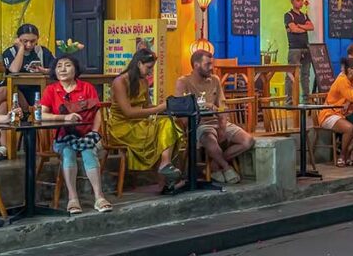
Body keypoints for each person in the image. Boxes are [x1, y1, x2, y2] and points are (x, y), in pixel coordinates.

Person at [40, 55, 112, 213]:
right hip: (62, 137)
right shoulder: (51, 90)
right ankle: (73, 199)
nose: (63, 69)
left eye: (67, 65)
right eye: (59, 66)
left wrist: (94, 132)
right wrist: (63, 117)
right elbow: (42, 115)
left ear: (76, 69)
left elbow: (97, 112)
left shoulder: (87, 88)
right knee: (68, 153)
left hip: (87, 136)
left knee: (88, 152)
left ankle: (99, 197)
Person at [175, 51, 254, 184]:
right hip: (199, 124)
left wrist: (222, 125)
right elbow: (179, 108)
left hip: (218, 121)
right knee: (210, 139)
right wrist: (201, 107)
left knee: (248, 141)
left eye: (212, 64)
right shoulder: (183, 82)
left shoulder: (215, 80)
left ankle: (214, 165)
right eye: (208, 64)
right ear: (196, 65)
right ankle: (226, 166)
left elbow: (222, 106)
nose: (211, 67)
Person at [107, 48, 183, 183]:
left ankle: (165, 165)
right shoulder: (120, 82)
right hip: (122, 127)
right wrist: (158, 109)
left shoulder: (144, 82)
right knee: (162, 127)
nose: (150, 71)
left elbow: (147, 106)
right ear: (138, 64)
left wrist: (167, 106)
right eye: (148, 67)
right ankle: (165, 166)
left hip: (140, 123)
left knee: (169, 121)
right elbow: (128, 112)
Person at [0, 23, 55, 115]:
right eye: (25, 41)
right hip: (15, 91)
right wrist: (21, 48)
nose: (29, 45)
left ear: (37, 39)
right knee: (4, 101)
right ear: (18, 39)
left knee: (3, 106)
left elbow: (55, 70)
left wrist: (44, 71)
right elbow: (14, 70)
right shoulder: (10, 52)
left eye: (33, 41)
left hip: (37, 92)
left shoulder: (43, 51)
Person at [284, 0, 315, 102]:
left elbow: (311, 27)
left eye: (301, 0)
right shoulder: (288, 15)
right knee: (291, 74)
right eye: (298, 0)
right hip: (294, 48)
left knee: (305, 75)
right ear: (292, 1)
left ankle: (306, 99)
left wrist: (300, 26)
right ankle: (289, 100)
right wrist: (303, 28)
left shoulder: (304, 15)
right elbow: (293, 29)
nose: (300, 2)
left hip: (306, 48)